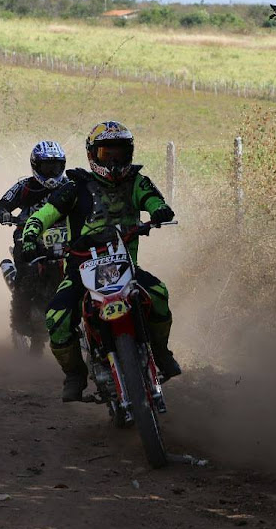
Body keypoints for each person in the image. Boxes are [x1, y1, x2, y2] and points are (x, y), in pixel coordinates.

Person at [21, 121, 180, 402]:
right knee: (56, 318)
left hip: (124, 266)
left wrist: (160, 211)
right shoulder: (74, 187)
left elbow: (153, 199)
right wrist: (31, 235)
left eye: (120, 152)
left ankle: (161, 352)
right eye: (108, 154)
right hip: (80, 270)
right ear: (93, 155)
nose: (115, 161)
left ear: (130, 153)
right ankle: (75, 374)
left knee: (158, 294)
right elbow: (43, 214)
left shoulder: (137, 181)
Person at [0, 141, 68, 337]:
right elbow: (1, 206)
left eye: (55, 167)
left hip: (64, 234)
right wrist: (4, 215)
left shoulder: (69, 186)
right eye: (46, 167)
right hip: (28, 236)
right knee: (29, 271)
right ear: (35, 166)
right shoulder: (25, 186)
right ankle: (20, 318)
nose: (51, 173)